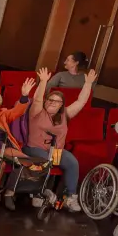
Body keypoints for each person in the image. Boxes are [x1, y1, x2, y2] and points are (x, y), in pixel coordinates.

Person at [28, 66, 95, 211]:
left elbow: (80, 102)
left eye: (57, 101)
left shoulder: (65, 114)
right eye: (50, 99)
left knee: (72, 162)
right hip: (35, 147)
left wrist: (88, 83)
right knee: (44, 161)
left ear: (61, 105)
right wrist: (43, 82)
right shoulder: (37, 111)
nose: (52, 102)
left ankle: (70, 197)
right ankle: (37, 194)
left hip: (55, 151)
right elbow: (38, 99)